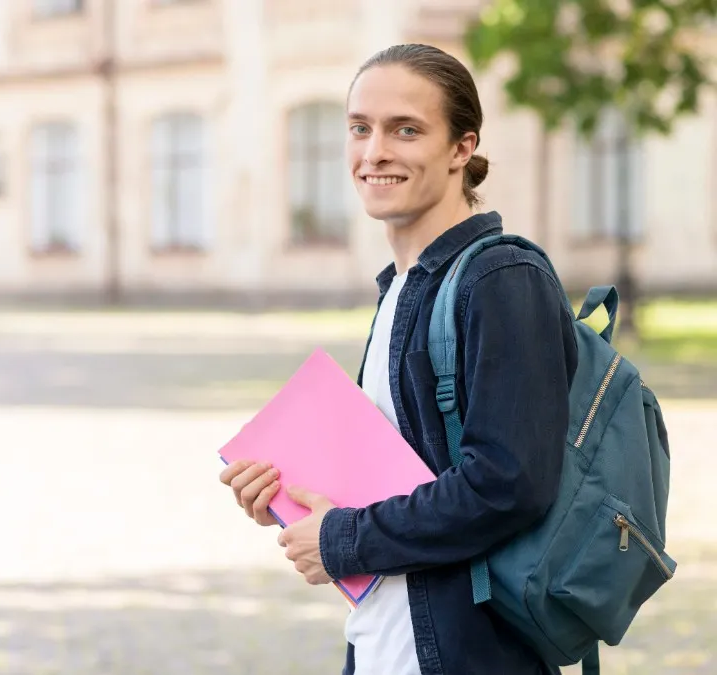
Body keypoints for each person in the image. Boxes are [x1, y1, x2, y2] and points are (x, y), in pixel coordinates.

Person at [218, 43, 578, 675]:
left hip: (469, 654)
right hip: (385, 641)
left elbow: (509, 484)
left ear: (461, 149)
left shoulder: (502, 278)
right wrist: (290, 500)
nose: (374, 151)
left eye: (405, 130)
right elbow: (400, 476)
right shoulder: (403, 286)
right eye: (360, 128)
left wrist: (342, 539)